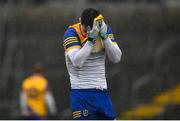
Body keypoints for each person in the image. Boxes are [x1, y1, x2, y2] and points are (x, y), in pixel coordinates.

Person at [63, 8, 122, 120]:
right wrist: (91, 40)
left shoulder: (104, 29)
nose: (86, 33)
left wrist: (105, 37)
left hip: (102, 92)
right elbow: (77, 62)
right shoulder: (71, 32)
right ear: (81, 22)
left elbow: (116, 58)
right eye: (85, 30)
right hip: (82, 93)